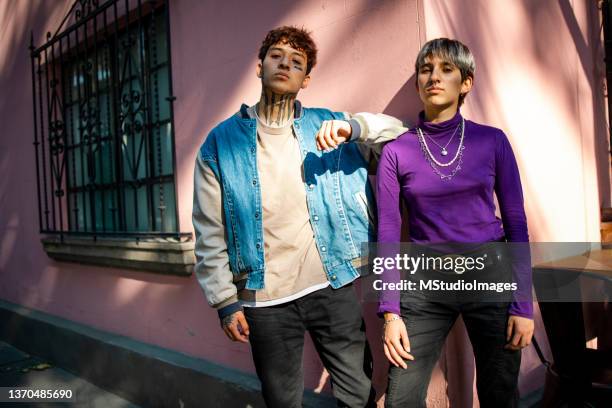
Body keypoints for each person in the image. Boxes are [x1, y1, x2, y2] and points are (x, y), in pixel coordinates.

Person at [192, 26, 403, 407]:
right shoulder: (220, 143)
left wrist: (353, 128)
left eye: (296, 62)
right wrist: (224, 300)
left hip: (331, 283)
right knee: (282, 401)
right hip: (264, 300)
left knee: (358, 394)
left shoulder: (328, 125)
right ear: (259, 67)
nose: (284, 64)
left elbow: (402, 141)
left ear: (306, 80)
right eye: (276, 56)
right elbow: (208, 229)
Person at [317, 38, 534, 408]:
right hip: (426, 278)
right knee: (401, 397)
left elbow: (515, 222)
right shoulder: (398, 151)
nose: (434, 76)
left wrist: (522, 305)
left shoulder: (492, 141)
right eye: (425, 69)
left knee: (500, 391)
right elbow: (388, 234)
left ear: (465, 83)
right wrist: (391, 312)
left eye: (446, 69)